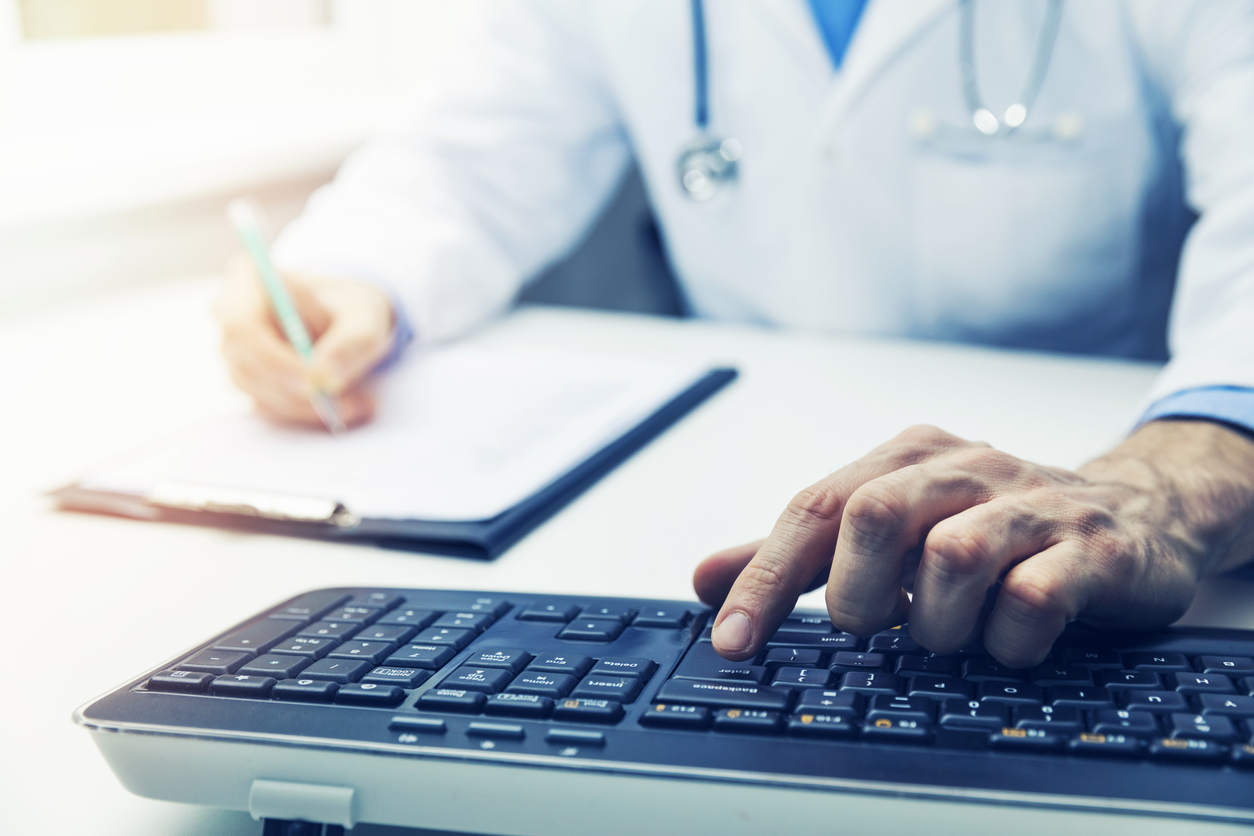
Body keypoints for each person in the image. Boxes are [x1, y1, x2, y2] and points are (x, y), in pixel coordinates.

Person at [213, 0, 1254, 668]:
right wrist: (352, 277)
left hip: (1058, 487)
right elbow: (468, 157)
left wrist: (1177, 475)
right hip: (736, 484)